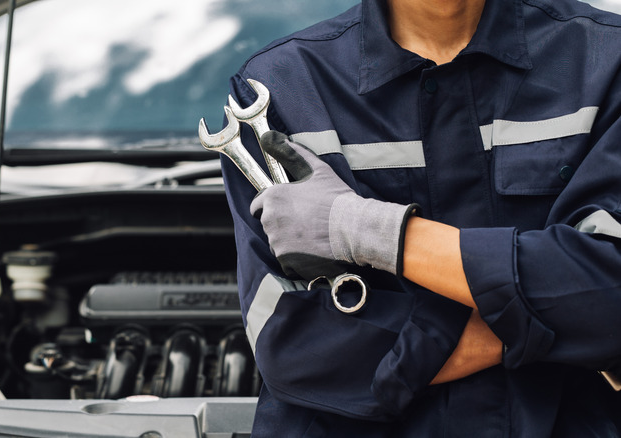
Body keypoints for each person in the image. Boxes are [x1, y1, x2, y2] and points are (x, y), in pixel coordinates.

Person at [220, 0, 621, 435]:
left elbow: (612, 293)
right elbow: (295, 344)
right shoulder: (283, 89)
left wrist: (363, 228)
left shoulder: (607, 61)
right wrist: (554, 320)